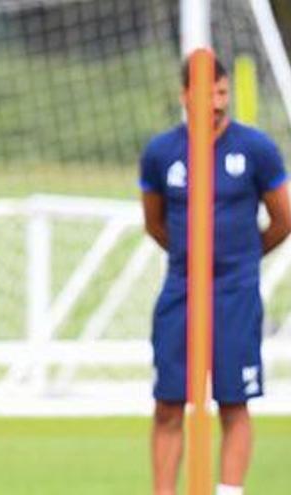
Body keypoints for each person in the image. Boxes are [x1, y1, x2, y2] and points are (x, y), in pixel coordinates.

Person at [139, 57, 291, 495]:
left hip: (235, 293)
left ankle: (227, 490)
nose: (217, 103)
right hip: (181, 289)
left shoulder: (256, 150)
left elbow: (282, 220)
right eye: (209, 93)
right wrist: (193, 257)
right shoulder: (161, 153)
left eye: (223, 93)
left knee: (234, 402)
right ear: (185, 95)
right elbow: (154, 223)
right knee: (169, 403)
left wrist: (241, 258)